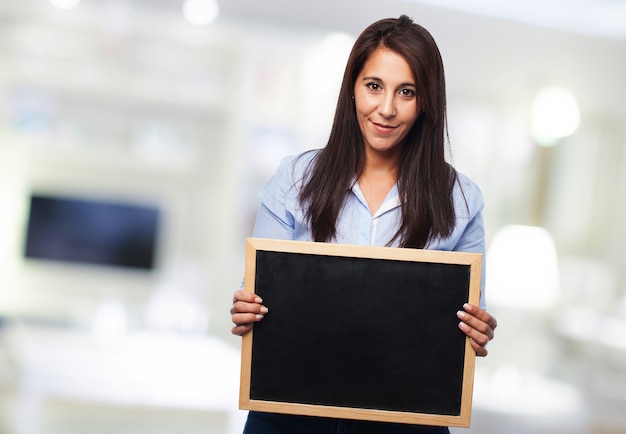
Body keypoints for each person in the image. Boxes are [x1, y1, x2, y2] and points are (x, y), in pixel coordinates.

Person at [230, 15, 497, 434]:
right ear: (352, 88)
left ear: (427, 101)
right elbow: (261, 297)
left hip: (408, 420)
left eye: (406, 92)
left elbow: (464, 324)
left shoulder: (461, 199)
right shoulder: (294, 178)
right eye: (374, 86)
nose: (386, 108)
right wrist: (248, 309)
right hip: (289, 415)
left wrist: (477, 329)